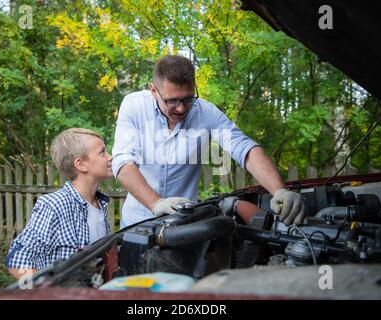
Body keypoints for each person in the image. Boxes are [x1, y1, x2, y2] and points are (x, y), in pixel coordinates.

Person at [112, 55, 305, 228]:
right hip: (136, 224)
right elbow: (122, 162)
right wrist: (156, 203)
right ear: (154, 91)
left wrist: (280, 191)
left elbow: (245, 149)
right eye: (172, 101)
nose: (181, 109)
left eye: (188, 99)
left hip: (183, 224)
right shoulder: (134, 105)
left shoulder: (206, 112)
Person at [5, 128, 113, 279]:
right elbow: (17, 263)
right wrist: (50, 293)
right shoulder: (55, 205)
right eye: (102, 152)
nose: (110, 157)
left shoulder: (100, 204)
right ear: (81, 164)